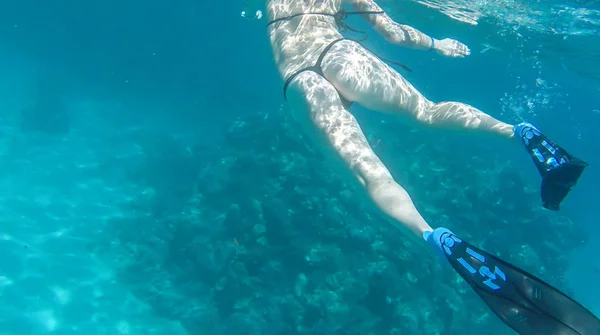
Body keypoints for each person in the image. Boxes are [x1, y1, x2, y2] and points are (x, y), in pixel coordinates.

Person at [243, 0, 598, 333]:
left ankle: (431, 235)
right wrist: (437, 44)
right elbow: (394, 33)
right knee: (427, 111)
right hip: (338, 54)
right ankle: (518, 132)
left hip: (300, 80)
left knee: (369, 176)